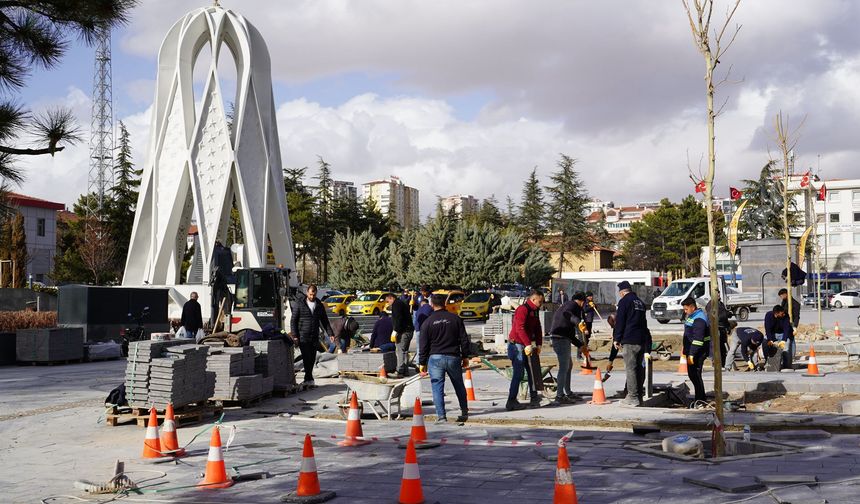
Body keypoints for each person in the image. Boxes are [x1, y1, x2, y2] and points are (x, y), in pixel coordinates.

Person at [418, 294, 470, 423]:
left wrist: (422, 362)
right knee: (459, 385)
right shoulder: (456, 319)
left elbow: (423, 345)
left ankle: (441, 416)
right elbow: (464, 339)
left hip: (435, 358)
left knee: (437, 387)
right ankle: (464, 411)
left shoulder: (427, 322)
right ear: (445, 303)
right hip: (453, 356)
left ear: (431, 305)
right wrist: (466, 356)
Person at [506, 289, 544, 411]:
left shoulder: (535, 310)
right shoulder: (523, 310)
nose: (541, 303)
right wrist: (527, 344)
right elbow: (519, 328)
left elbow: (538, 327)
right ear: (533, 299)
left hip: (526, 344)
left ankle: (534, 397)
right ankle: (511, 401)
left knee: (533, 371)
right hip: (516, 345)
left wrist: (539, 344)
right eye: (540, 301)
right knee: (519, 373)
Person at [613, 281, 649, 406]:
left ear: (622, 292)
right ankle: (639, 396)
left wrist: (617, 338)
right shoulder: (639, 302)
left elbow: (620, 321)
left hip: (629, 339)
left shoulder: (624, 302)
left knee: (631, 369)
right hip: (641, 339)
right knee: (639, 369)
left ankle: (632, 397)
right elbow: (644, 323)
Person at [290, 284, 334, 387]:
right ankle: (308, 378)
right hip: (303, 336)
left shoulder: (319, 305)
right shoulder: (300, 304)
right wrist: (295, 335)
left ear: (316, 294)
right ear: (307, 293)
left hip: (314, 336)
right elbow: (293, 321)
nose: (312, 297)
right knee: (306, 357)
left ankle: (308, 379)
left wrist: (330, 333)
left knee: (312, 358)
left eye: (314, 295)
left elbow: (325, 320)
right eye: (310, 295)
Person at [549, 291, 586, 404]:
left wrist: (580, 345)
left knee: (568, 366)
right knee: (564, 367)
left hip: (562, 338)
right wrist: (578, 322)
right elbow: (568, 314)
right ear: (581, 301)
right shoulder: (572, 305)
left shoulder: (567, 306)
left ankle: (568, 392)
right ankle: (559, 396)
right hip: (560, 339)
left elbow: (570, 334)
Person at [682, 297, 710, 404]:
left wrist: (692, 355)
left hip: (697, 353)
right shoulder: (692, 316)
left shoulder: (699, 319)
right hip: (691, 352)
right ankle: (700, 398)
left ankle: (700, 399)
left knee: (696, 375)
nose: (685, 312)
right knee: (693, 375)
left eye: (686, 309)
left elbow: (698, 340)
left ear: (693, 307)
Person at [386, 293, 415, 375]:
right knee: (405, 351)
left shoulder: (396, 304)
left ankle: (400, 370)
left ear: (391, 298)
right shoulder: (401, 303)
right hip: (409, 330)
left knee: (400, 350)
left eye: (388, 301)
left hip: (403, 331)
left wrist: (395, 330)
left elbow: (398, 318)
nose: (388, 303)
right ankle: (405, 370)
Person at [705, 294, 731, 368]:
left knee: (723, 348)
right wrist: (725, 314)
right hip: (715, 329)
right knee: (716, 347)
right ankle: (715, 364)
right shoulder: (710, 304)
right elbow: (713, 317)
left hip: (722, 328)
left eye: (719, 293)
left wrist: (728, 326)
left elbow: (725, 318)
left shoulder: (721, 304)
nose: (719, 295)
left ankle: (723, 364)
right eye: (716, 293)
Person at [764, 304, 793, 369]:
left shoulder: (786, 316)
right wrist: (772, 340)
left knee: (787, 346)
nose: (783, 315)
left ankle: (786, 365)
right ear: (776, 313)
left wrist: (784, 340)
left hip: (782, 334)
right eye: (781, 314)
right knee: (765, 342)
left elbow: (787, 328)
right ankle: (767, 361)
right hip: (773, 334)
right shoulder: (769, 315)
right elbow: (768, 329)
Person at [413, 298, 433, 363]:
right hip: (426, 330)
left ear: (422, 303)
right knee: (427, 346)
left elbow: (415, 318)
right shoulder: (430, 308)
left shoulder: (419, 310)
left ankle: (418, 363)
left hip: (418, 329)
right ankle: (426, 362)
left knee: (419, 347)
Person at [580, 291, 596, 359]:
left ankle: (586, 354)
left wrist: (594, 305)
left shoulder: (591, 302)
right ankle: (580, 354)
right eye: (590, 296)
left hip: (590, 321)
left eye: (592, 296)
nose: (591, 297)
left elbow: (595, 309)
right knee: (584, 339)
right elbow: (584, 310)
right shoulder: (585, 302)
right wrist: (590, 306)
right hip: (586, 321)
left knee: (588, 338)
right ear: (587, 297)